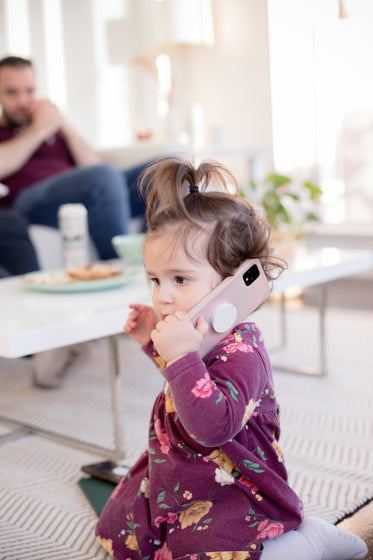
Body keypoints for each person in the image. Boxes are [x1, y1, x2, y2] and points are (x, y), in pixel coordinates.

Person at [95, 157, 368, 560]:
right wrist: (155, 345)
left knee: (216, 550)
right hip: (182, 467)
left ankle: (310, 540)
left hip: (232, 481)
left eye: (180, 279)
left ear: (234, 284)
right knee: (120, 532)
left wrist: (182, 354)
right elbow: (185, 383)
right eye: (155, 279)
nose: (163, 295)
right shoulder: (196, 337)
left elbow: (212, 426)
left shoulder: (245, 351)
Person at [0, 55, 149, 263]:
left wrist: (62, 124)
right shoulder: (18, 129)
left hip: (84, 192)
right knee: (102, 177)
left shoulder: (52, 126)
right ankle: (121, 266)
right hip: (30, 202)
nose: (23, 100)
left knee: (164, 169)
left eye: (29, 91)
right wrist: (39, 129)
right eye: (12, 92)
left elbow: (102, 170)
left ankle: (155, 258)